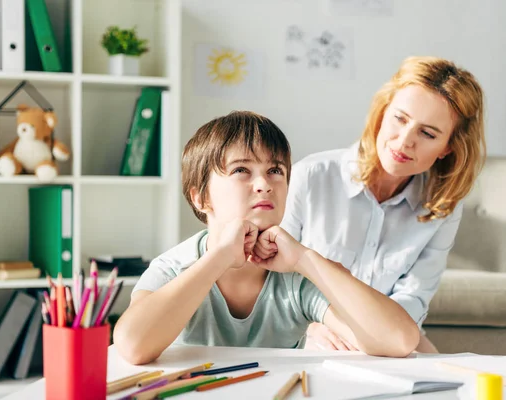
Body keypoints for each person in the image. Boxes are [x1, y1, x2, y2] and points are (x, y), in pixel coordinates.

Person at [113, 111, 420, 365]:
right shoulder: (174, 268)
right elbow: (132, 346)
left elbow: (399, 340)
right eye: (241, 170)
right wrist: (218, 258)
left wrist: (306, 259)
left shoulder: (294, 276)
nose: (264, 184)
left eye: (275, 170)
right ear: (200, 198)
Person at [281, 56, 486, 353]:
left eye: (427, 133)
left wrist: (374, 335)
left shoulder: (444, 206)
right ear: (382, 113)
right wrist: (314, 326)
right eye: (400, 119)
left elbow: (414, 297)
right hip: (312, 331)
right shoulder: (311, 176)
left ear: (448, 148)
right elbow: (271, 280)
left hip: (390, 336)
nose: (404, 142)